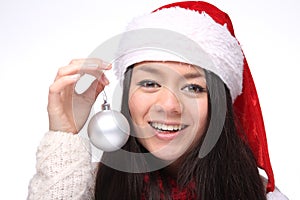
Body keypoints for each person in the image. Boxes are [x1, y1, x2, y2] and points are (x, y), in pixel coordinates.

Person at [27, 1, 288, 200]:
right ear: (127, 95)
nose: (169, 105)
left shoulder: (262, 196)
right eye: (150, 83)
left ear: (219, 105)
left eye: (193, 87)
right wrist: (63, 134)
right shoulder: (84, 187)